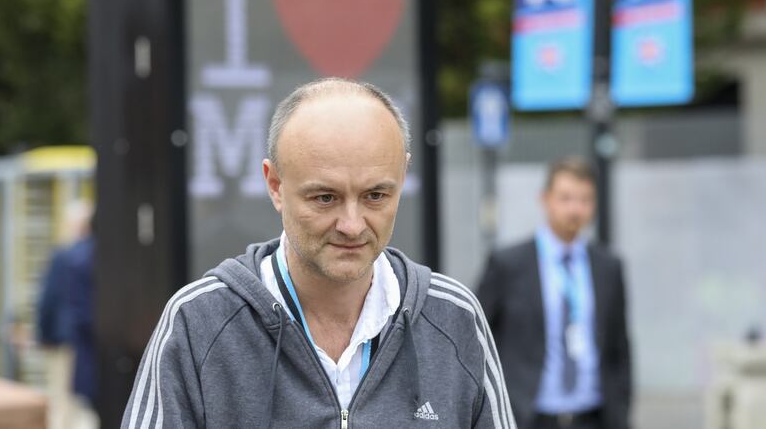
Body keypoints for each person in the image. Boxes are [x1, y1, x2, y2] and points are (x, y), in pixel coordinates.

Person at [122, 78, 517, 428]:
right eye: (325, 197)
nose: (352, 224)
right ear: (274, 185)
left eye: (375, 195)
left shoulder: (454, 318)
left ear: (403, 175)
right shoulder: (199, 322)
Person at [476, 157, 631, 429]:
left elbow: (619, 347)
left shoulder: (608, 267)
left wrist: (621, 413)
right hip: (527, 416)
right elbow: (477, 336)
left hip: (593, 417)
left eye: (585, 200)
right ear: (545, 199)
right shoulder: (509, 264)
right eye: (566, 198)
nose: (575, 209)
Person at [36, 199, 99, 429]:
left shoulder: (65, 257)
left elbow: (48, 300)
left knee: (62, 402)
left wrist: (44, 336)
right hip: (88, 339)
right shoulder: (97, 255)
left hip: (64, 340)